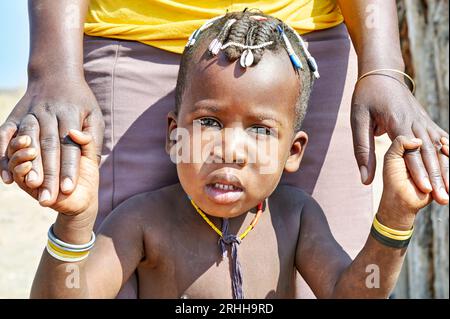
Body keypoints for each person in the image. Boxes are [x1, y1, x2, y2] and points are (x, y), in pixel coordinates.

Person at [1, 0, 448, 297]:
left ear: (295, 151)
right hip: (131, 30)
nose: (230, 150)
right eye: (210, 123)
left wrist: (395, 216)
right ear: (173, 134)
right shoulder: (140, 223)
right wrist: (74, 222)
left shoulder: (299, 219)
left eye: (259, 130)